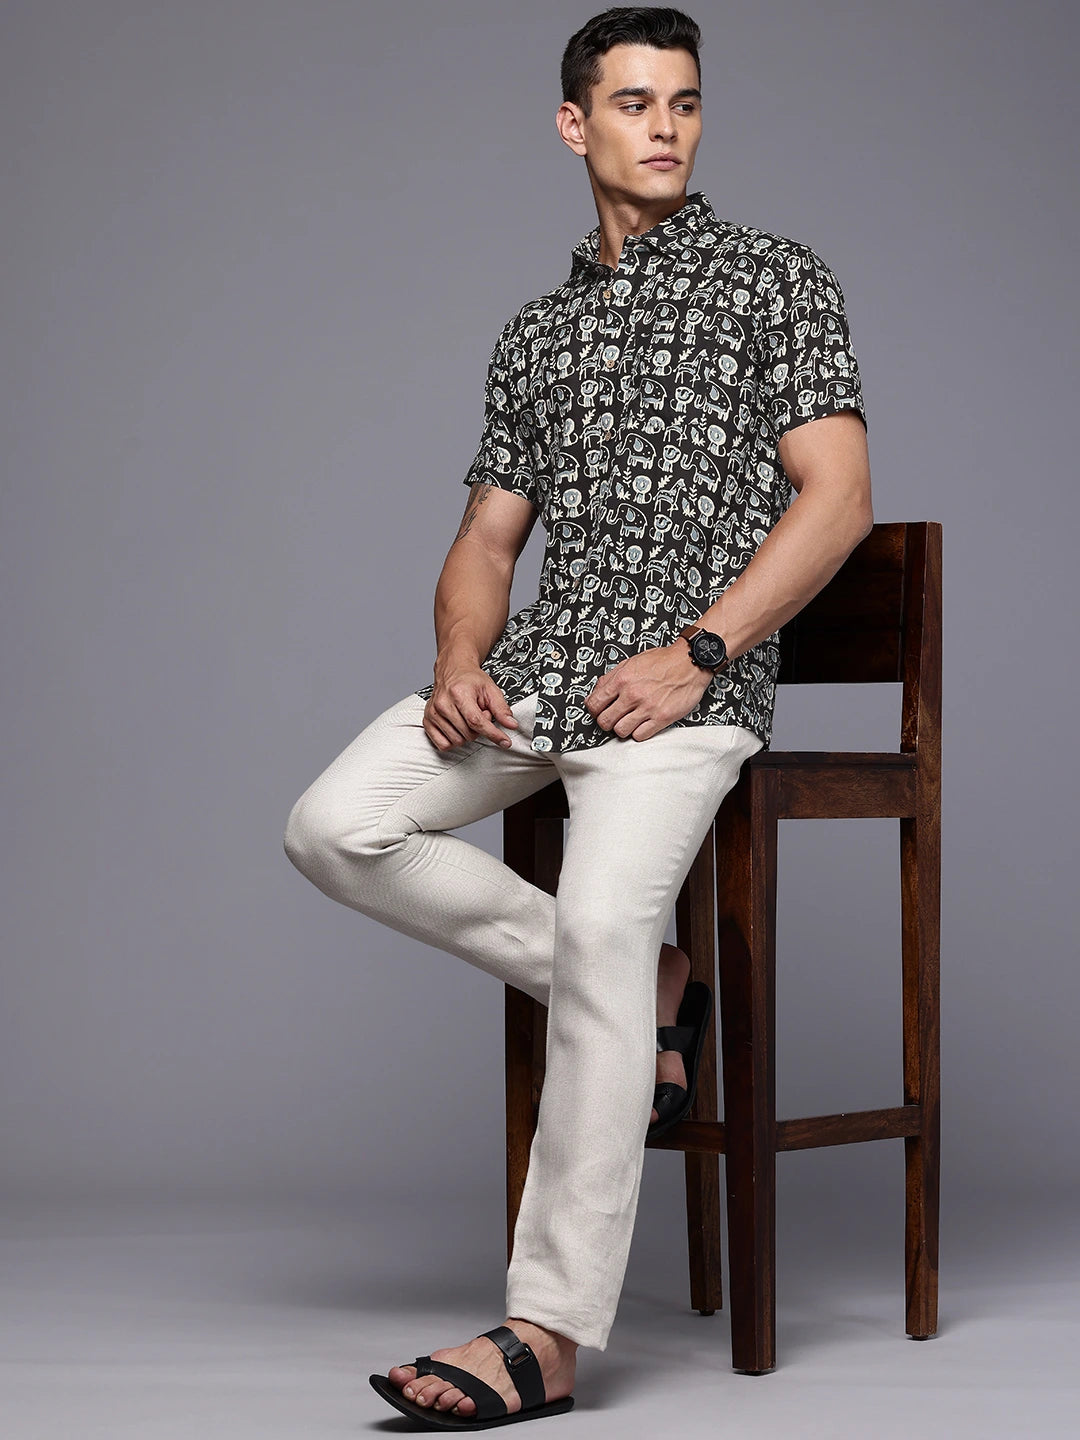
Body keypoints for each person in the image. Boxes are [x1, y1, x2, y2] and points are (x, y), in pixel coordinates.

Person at [284, 5, 873, 1428]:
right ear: (576, 125)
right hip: (543, 676)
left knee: (606, 925)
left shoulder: (771, 279)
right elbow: (488, 537)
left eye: (684, 103)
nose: (664, 127)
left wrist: (701, 648)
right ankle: (649, 997)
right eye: (633, 104)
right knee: (331, 828)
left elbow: (837, 497)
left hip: (682, 696)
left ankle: (544, 1329)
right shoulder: (534, 334)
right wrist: (455, 655)